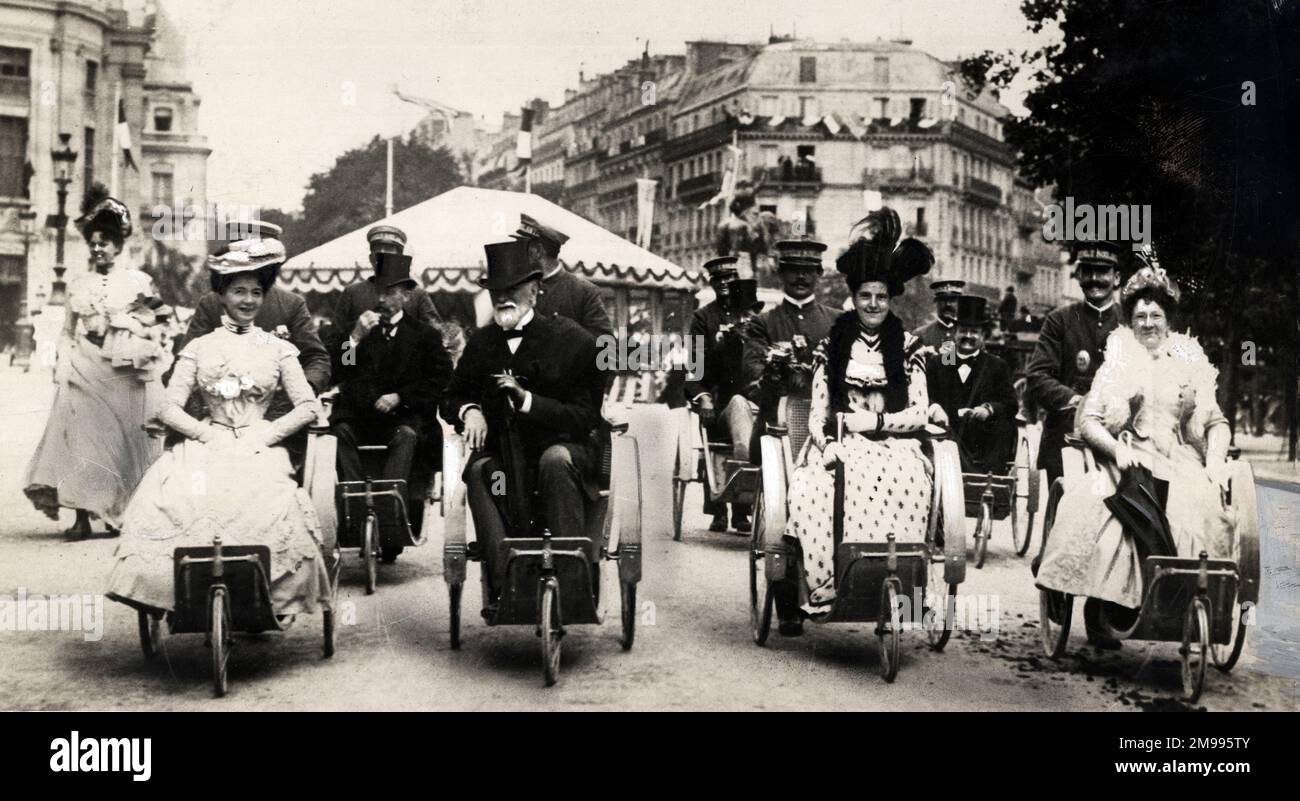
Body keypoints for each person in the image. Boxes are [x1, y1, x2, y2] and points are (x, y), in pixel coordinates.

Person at [105, 240, 331, 618]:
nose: (248, 300)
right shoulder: (199, 347)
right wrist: (206, 434)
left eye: (256, 292)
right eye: (238, 291)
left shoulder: (279, 349)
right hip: (207, 441)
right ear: (222, 295)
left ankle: (264, 593)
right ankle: (180, 590)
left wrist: (267, 434)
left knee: (270, 498)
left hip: (261, 444)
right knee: (174, 494)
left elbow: (308, 406)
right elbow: (167, 406)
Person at [1035, 264, 1233, 648]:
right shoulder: (1118, 361)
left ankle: (1189, 601)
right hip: (1127, 454)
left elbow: (1215, 422)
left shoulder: (1189, 360)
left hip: (1177, 458)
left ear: (1168, 320)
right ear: (1131, 321)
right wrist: (1116, 449)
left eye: (1155, 316)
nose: (1148, 324)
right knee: (1101, 510)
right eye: (1140, 316)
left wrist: (1215, 461)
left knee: (1200, 508)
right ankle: (1105, 605)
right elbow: (1089, 423)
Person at [777, 207, 934, 631]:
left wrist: (878, 425)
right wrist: (826, 446)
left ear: (890, 299)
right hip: (837, 442)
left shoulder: (908, 347)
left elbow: (918, 412)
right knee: (814, 491)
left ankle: (899, 586)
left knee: (912, 483)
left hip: (894, 446)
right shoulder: (832, 346)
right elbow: (817, 411)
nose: (873, 304)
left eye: (881, 297)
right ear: (854, 297)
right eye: (866, 296)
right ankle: (830, 586)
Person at [440, 238, 605, 609]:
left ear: (535, 289)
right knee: (481, 471)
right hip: (504, 464)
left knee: (554, 460)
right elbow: (449, 396)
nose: (503, 299)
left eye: (512, 289)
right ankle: (505, 586)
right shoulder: (481, 344)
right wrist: (469, 410)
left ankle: (571, 582)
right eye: (496, 291)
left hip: (565, 452)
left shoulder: (574, 342)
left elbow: (585, 416)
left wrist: (528, 401)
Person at [24, 186, 174, 539]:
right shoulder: (78, 284)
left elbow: (162, 320)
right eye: (93, 242)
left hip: (122, 370)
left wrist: (132, 323)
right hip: (84, 365)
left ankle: (114, 511)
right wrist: (60, 361)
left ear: (118, 246)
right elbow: (66, 330)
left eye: (104, 242)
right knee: (80, 442)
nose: (97, 248)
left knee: (119, 443)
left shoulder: (138, 281)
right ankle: (80, 517)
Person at [331, 253, 453, 516]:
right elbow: (339, 371)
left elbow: (440, 379)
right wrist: (354, 338)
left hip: (403, 418)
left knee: (407, 436)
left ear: (407, 296)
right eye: (378, 292)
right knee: (340, 433)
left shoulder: (425, 335)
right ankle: (354, 506)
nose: (381, 300)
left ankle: (389, 511)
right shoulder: (360, 330)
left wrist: (400, 397)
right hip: (361, 418)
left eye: (390, 292)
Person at [180, 220, 331, 402]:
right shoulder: (212, 303)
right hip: (222, 405)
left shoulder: (291, 304)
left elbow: (317, 358)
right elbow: (185, 359)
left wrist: (301, 389)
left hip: (280, 406)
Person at [1025, 242, 1123, 486]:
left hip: (1117, 439)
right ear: (1079, 275)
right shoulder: (1059, 320)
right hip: (1066, 438)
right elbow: (1038, 375)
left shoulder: (1129, 322)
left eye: (1102, 272)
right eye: (1087, 271)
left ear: (1117, 277)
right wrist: (1076, 403)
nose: (1094, 279)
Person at [743, 239, 839, 462]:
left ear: (819, 273)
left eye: (807, 271)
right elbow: (752, 373)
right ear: (781, 273)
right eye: (793, 270)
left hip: (829, 428)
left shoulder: (837, 321)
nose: (801, 277)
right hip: (776, 427)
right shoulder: (762, 323)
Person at [683, 256, 756, 533]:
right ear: (712, 284)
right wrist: (702, 396)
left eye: (730, 278)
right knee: (731, 413)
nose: (725, 284)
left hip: (754, 398)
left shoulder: (751, 313)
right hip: (719, 399)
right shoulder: (704, 319)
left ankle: (742, 508)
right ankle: (723, 508)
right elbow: (694, 366)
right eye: (719, 279)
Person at [926, 295, 1018, 473]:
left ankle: (985, 483)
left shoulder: (996, 365)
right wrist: (935, 408)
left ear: (983, 336)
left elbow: (1010, 403)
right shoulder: (941, 361)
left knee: (1004, 427)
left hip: (985, 441)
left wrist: (989, 409)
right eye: (963, 331)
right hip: (948, 435)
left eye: (974, 332)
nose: (968, 336)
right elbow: (924, 395)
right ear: (954, 333)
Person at [327, 225, 441, 356]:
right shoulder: (353, 293)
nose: (381, 256)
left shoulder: (417, 294)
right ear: (371, 259)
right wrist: (355, 337)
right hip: (361, 373)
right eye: (377, 251)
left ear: (400, 257)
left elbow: (436, 342)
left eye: (388, 251)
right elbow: (335, 349)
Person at [514, 213, 614, 338]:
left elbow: (605, 348)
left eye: (520, 246)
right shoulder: (516, 288)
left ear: (538, 251)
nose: (515, 253)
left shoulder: (583, 292)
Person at [914, 279, 964, 353]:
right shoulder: (921, 335)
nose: (948, 304)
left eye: (952, 300)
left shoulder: (969, 334)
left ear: (959, 302)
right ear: (936, 302)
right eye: (943, 300)